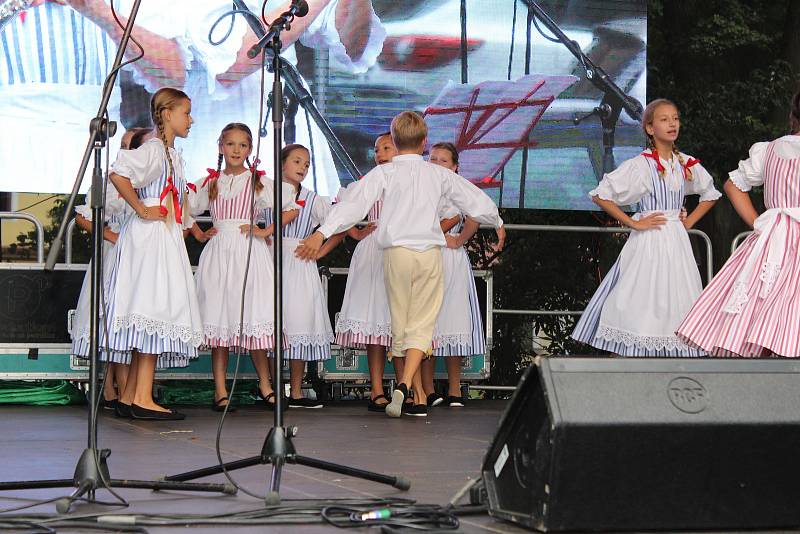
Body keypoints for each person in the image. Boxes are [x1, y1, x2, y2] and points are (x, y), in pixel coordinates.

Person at [296, 111, 505, 418]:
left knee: (400, 322)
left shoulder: (384, 174)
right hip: (428, 253)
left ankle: (405, 386)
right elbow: (474, 199)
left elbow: (354, 206)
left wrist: (321, 232)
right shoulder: (438, 174)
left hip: (396, 253)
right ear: (424, 142)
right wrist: (497, 221)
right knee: (423, 322)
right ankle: (407, 384)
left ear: (394, 140)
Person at [571, 98, 720, 356]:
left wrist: (688, 222)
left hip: (675, 241)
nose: (672, 124)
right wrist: (632, 222)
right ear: (650, 128)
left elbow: (710, 193)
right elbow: (601, 194)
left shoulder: (685, 163)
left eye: (675, 118)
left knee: (678, 298)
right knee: (640, 299)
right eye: (664, 119)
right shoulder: (642, 164)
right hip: (649, 240)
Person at [676, 91, 800, 357]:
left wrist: (759, 222)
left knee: (763, 304)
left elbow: (733, 185)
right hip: (782, 234)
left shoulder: (770, 149)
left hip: (773, 235)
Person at [106, 87, 202, 420]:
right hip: (150, 237)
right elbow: (118, 173)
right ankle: (143, 397)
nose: (190, 119)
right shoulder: (154, 150)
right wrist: (141, 209)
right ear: (166, 114)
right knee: (153, 305)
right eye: (186, 113)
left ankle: (132, 394)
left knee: (158, 306)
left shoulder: (172, 155)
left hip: (164, 235)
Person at [189, 122, 299, 410]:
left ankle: (266, 385)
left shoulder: (257, 181)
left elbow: (290, 208)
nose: (236, 150)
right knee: (220, 317)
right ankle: (220, 390)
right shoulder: (209, 182)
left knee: (255, 317)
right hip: (220, 253)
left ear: (250, 149)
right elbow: (182, 208)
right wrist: (200, 233)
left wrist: (266, 230)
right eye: (231, 144)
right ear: (221, 146)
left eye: (243, 145)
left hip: (250, 252)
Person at [263, 144, 333, 408]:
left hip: (299, 260)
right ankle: (273, 387)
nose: (302, 167)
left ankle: (296, 389)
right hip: (271, 260)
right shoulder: (266, 191)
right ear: (282, 164)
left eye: (306, 163)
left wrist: (321, 248)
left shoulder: (312, 199)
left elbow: (338, 221)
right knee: (273, 323)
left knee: (299, 322)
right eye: (297, 161)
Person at [331, 132, 396, 412]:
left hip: (401, 250)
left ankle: (408, 388)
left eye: (386, 147)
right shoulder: (367, 183)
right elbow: (341, 208)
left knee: (400, 323)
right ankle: (377, 389)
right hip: (373, 251)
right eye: (377, 149)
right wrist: (356, 232)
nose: (380, 153)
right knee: (376, 323)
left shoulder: (411, 180)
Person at [423, 142, 489, 407]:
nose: (437, 164)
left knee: (453, 319)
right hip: (426, 253)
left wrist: (459, 239)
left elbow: (476, 215)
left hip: (450, 257)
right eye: (433, 158)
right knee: (427, 323)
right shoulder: (423, 188)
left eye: (443, 160)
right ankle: (427, 389)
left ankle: (454, 387)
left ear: (455, 166)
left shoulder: (459, 189)